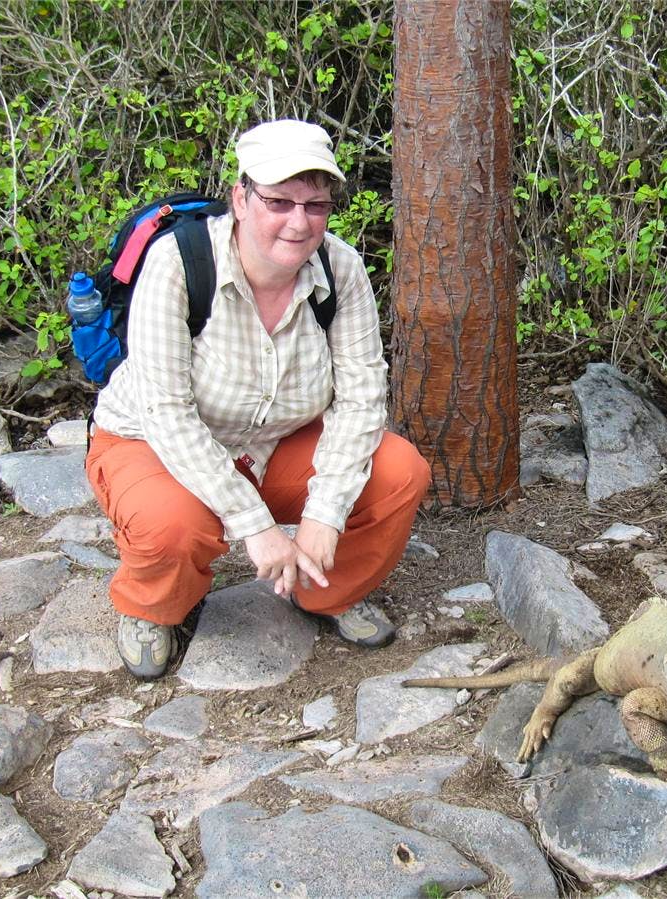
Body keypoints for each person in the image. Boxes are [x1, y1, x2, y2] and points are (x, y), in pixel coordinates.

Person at [84, 119, 431, 679]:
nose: (299, 223)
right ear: (241, 199)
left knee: (398, 470)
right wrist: (255, 525)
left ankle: (321, 589)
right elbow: (166, 414)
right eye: (280, 202)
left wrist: (324, 514)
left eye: (316, 205)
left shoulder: (341, 268)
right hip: (152, 441)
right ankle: (156, 605)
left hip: (274, 443)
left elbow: (363, 399)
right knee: (173, 524)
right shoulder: (179, 263)